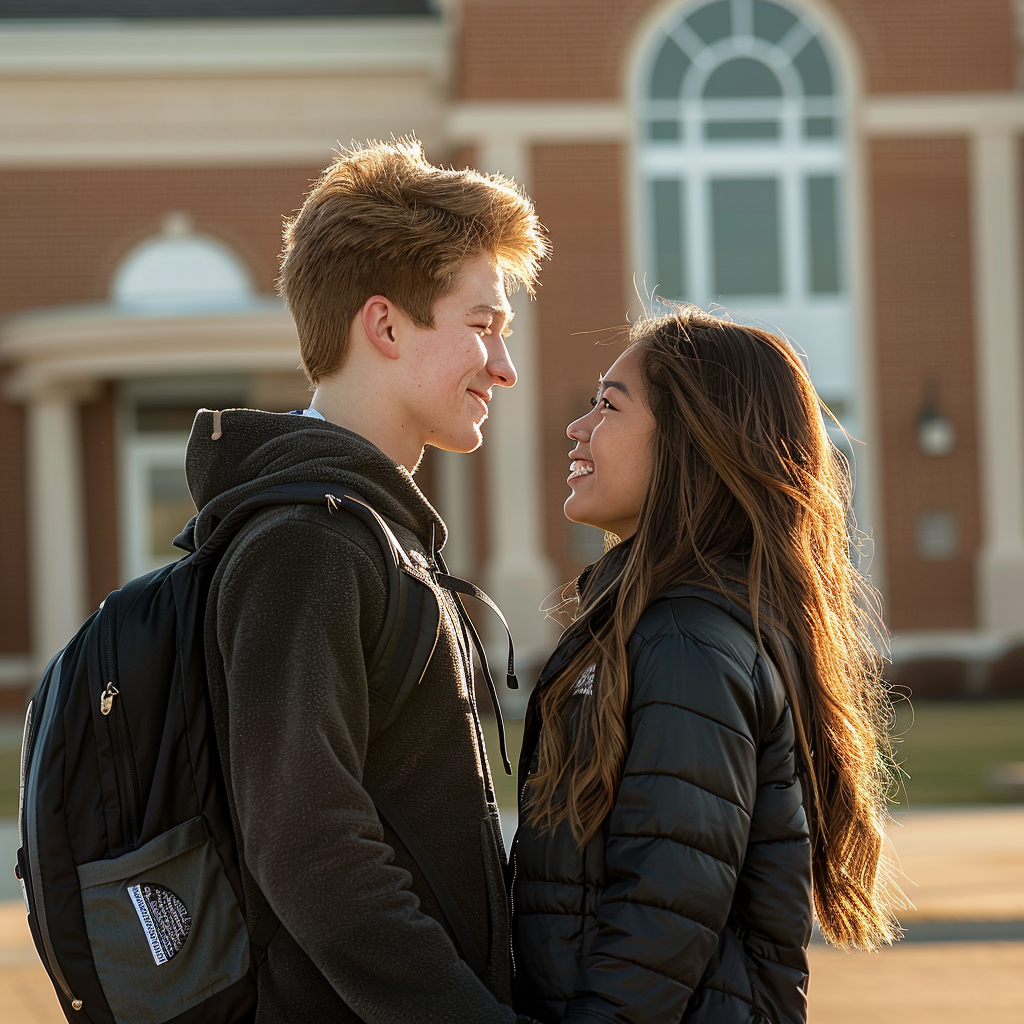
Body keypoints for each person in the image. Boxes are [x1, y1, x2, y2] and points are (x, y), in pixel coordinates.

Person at [187, 139, 547, 1022]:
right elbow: (308, 848)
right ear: (385, 327)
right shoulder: (308, 544)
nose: (504, 366)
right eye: (482, 324)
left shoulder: (367, 532)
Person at [510, 307, 902, 1024]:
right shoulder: (658, 627)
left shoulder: (686, 642)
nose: (578, 428)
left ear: (690, 443)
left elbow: (668, 908)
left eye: (608, 405)